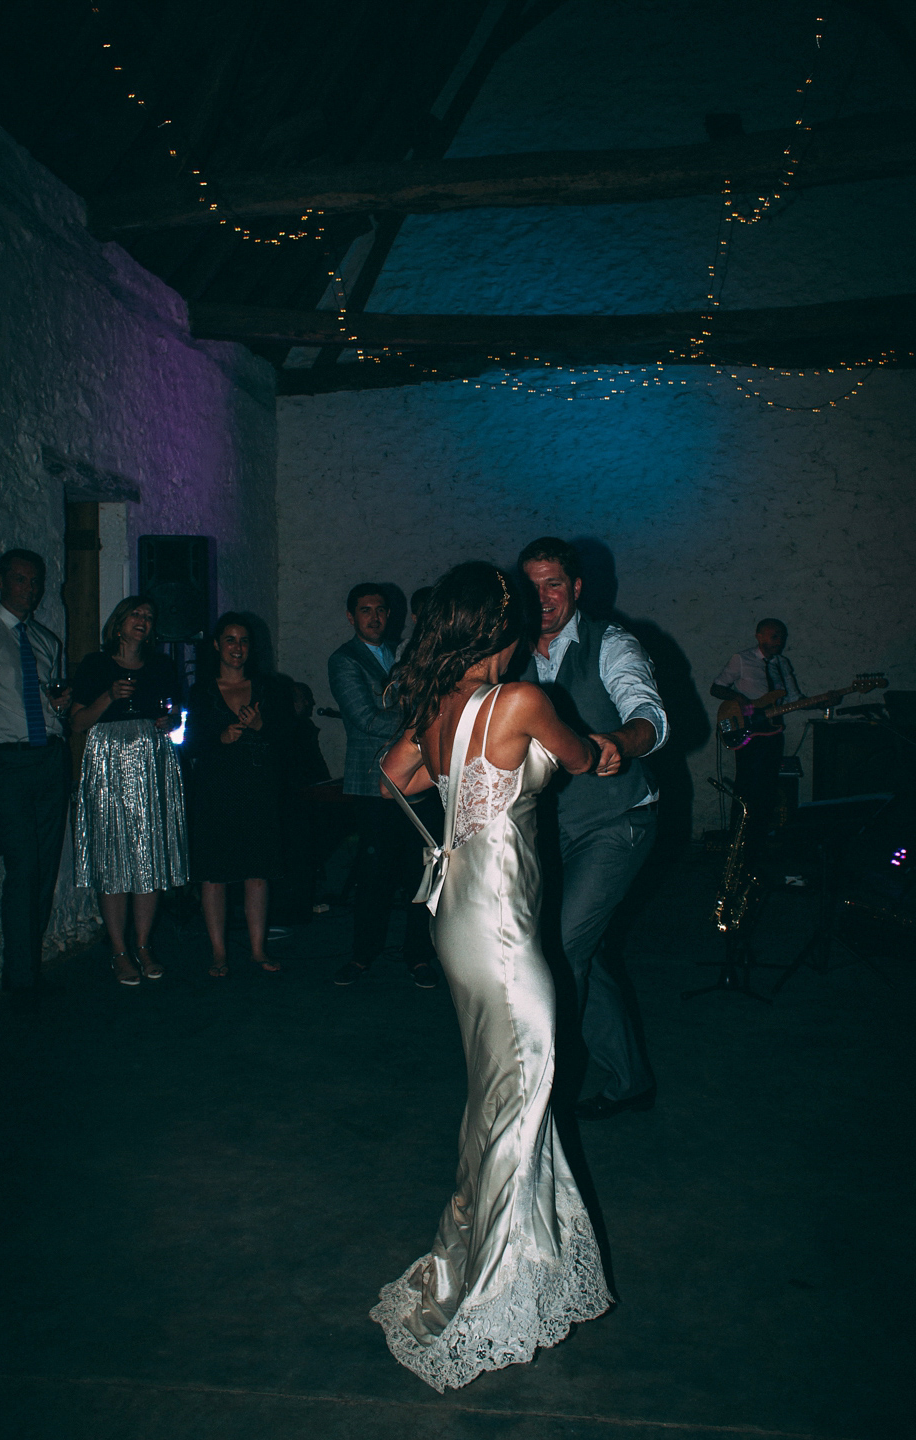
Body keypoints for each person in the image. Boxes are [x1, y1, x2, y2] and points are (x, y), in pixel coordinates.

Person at [373, 561, 612, 1391]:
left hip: (456, 920)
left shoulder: (440, 706)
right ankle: (490, 1296)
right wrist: (607, 749)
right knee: (525, 1086)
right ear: (502, 632)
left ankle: (486, 1253)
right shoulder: (520, 701)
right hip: (503, 936)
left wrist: (446, 817)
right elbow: (579, 760)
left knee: (495, 1095)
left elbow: (389, 774)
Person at [519, 537, 669, 1121]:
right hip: (553, 826)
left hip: (618, 821)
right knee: (587, 953)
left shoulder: (612, 642)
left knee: (561, 948)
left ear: (576, 587)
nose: (544, 597)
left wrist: (618, 743)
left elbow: (649, 716)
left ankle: (541, 1094)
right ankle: (631, 1080)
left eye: (553, 583)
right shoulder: (512, 654)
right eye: (532, 586)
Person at [71, 596, 187, 986]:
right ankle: (119, 950)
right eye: (136, 614)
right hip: (108, 761)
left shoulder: (160, 666)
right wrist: (110, 696)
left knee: (148, 855)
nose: (143, 621)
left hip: (152, 760)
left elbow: (175, 718)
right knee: (114, 857)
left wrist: (169, 721)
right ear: (118, 622)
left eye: (149, 617)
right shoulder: (96, 665)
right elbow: (76, 723)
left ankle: (143, 945)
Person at [328, 582, 436, 989]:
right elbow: (365, 719)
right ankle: (361, 956)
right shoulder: (344, 660)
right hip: (373, 784)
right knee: (374, 875)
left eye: (380, 609)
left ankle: (418, 956)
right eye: (365, 610)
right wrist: (428, 720)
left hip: (418, 782)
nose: (375, 616)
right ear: (351, 616)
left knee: (419, 873)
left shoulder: (404, 652)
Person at [185, 613, 293, 978]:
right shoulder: (201, 691)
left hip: (258, 787)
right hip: (215, 790)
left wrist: (261, 727)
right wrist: (221, 739)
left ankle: (258, 950)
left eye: (243, 640)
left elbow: (289, 740)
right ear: (217, 645)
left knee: (257, 871)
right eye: (230, 640)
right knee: (214, 873)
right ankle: (218, 953)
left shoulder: (270, 688)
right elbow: (189, 744)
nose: (237, 647)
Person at [0, 549, 72, 1014]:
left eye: (35, 581)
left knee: (41, 868)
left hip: (47, 758)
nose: (29, 589)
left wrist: (60, 708)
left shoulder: (44, 640)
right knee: (22, 868)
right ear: (1, 581)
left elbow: (47, 703)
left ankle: (29, 971)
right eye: (20, 580)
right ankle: (19, 978)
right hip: (10, 764)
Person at [710, 618, 804, 861]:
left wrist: (821, 702)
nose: (779, 641)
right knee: (746, 788)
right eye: (774, 636)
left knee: (767, 789)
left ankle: (756, 845)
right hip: (749, 733)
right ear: (759, 636)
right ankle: (737, 843)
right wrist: (739, 699)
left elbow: (794, 699)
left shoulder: (782, 664)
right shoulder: (742, 659)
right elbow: (717, 687)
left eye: (782, 636)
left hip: (773, 733)